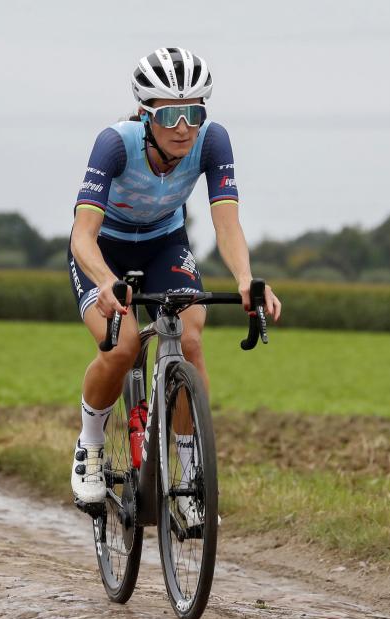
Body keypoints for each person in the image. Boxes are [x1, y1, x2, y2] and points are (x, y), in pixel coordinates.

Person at [67, 47, 282, 516]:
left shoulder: (212, 141)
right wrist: (105, 282)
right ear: (146, 115)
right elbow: (82, 235)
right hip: (105, 248)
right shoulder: (115, 144)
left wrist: (246, 279)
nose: (184, 126)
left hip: (164, 243)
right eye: (170, 114)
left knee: (190, 338)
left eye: (194, 112)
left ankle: (188, 474)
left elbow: (227, 224)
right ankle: (91, 447)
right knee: (122, 347)